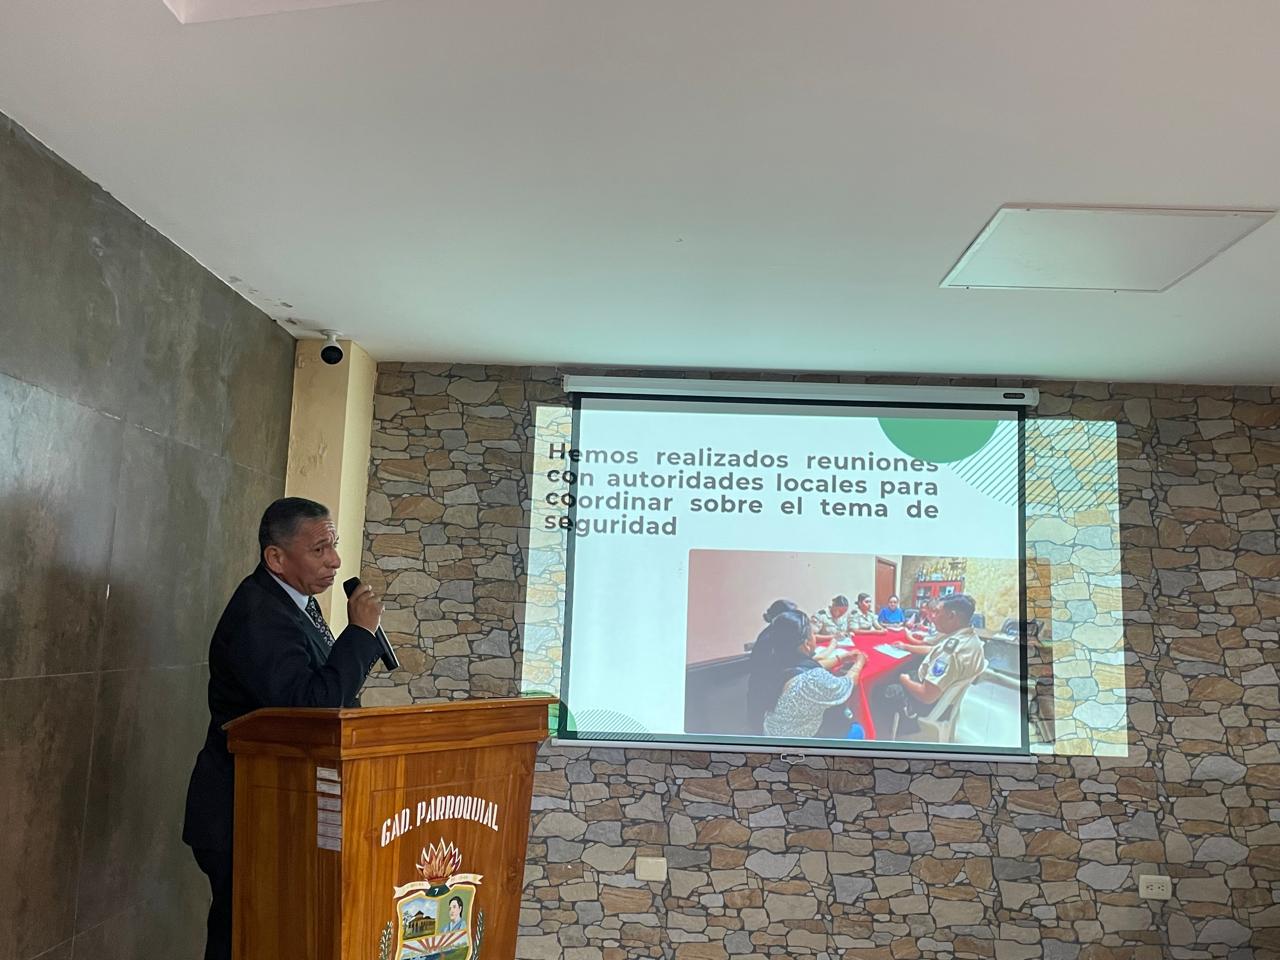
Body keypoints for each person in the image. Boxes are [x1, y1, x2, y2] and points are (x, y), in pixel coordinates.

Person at [183, 498, 386, 960]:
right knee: (243, 938)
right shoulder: (259, 615)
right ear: (276, 557)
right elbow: (308, 709)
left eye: (333, 545)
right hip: (244, 812)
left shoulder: (294, 603)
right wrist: (359, 634)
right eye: (319, 549)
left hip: (277, 807)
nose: (335, 560)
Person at [871, 593, 986, 737]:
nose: (933, 617)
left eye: (938, 612)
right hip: (944, 693)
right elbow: (932, 650)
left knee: (878, 690)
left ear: (951, 616)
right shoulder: (970, 639)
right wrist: (906, 648)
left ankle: (900, 727)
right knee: (905, 669)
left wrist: (903, 679)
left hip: (931, 703)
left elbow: (926, 695)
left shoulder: (950, 653)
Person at [747, 607, 865, 737]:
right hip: (795, 742)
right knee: (857, 730)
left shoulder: (775, 659)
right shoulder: (812, 679)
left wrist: (841, 658)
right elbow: (846, 685)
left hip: (772, 732)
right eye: (813, 634)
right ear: (806, 644)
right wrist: (860, 662)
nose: (815, 637)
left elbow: (808, 666)